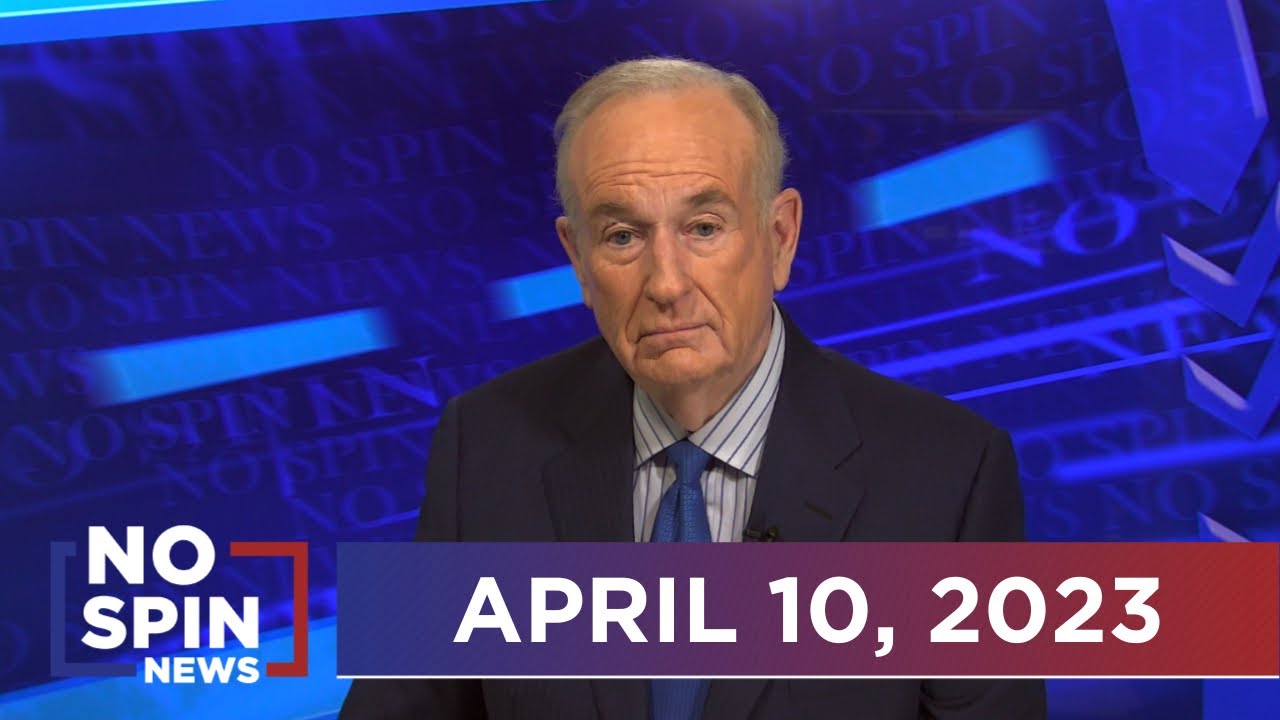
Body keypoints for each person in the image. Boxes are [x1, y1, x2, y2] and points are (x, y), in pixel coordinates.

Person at [340, 57, 1047, 719]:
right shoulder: (481, 446)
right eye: (622, 236)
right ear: (577, 258)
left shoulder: (951, 474)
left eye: (704, 228)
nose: (667, 283)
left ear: (780, 237)